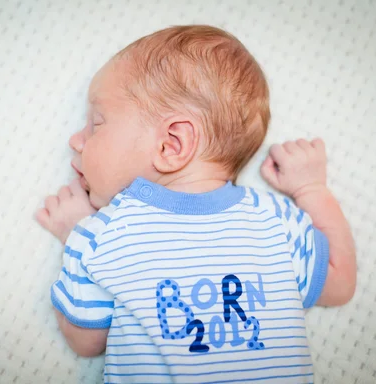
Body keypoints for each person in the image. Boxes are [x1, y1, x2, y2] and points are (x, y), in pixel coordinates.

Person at [36, 25, 356, 383]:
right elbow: (339, 281)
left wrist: (76, 234)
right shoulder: (272, 220)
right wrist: (313, 189)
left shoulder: (99, 237)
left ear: (171, 144)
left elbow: (85, 340)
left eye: (96, 123)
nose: (76, 140)